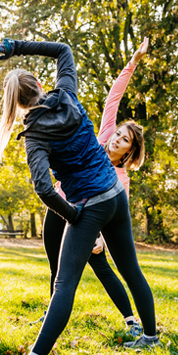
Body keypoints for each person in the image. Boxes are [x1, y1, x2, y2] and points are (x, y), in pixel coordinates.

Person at [0, 38, 158, 355]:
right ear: (39, 84)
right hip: (114, 194)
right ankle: (151, 335)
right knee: (130, 269)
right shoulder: (66, 93)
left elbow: (43, 188)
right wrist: (16, 47)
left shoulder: (35, 136)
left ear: (17, 106)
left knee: (64, 284)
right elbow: (64, 49)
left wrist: (73, 215)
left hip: (89, 204)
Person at [38, 38, 149, 338]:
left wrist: (99, 237)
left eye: (125, 140)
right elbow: (115, 96)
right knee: (55, 265)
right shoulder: (101, 138)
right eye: (119, 133)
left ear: (129, 152)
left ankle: (130, 319)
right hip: (59, 205)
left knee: (103, 269)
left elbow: (115, 215)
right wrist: (133, 61)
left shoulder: (120, 179)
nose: (117, 139)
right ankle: (51, 314)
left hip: (87, 217)